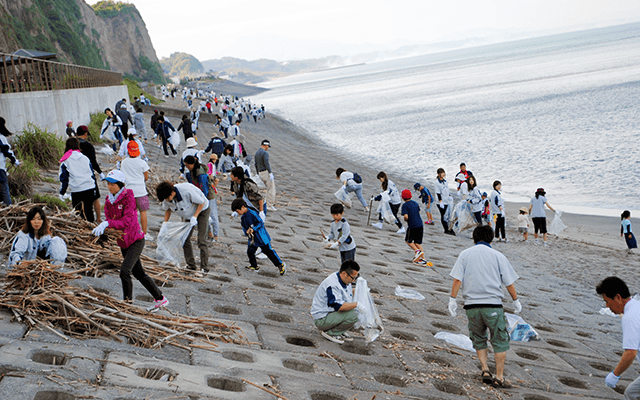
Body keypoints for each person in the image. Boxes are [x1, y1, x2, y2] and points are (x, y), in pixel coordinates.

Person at [448, 225, 521, 388]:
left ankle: (485, 369)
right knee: (500, 340)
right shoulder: (498, 256)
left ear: (474, 238)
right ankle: (499, 377)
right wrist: (516, 300)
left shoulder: (464, 254)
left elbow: (457, 280)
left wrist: (452, 299)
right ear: (491, 238)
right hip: (493, 305)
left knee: (479, 338)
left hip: (472, 306)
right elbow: (509, 282)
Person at [92, 170, 168, 310]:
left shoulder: (129, 198)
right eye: (108, 184)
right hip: (123, 242)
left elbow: (126, 221)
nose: (109, 187)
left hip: (136, 240)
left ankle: (127, 305)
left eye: (113, 184)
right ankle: (160, 298)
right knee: (139, 273)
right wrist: (104, 230)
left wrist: (108, 224)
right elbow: (110, 219)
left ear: (120, 185)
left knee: (124, 272)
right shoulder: (109, 200)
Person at [595, 276, 640, 396]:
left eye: (607, 301)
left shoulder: (630, 317)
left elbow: (631, 352)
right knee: (631, 394)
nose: (607, 307)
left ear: (618, 297)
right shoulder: (637, 306)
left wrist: (615, 374)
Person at [156, 180, 210, 274]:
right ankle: (191, 266)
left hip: (202, 210)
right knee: (185, 239)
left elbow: (201, 203)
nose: (167, 200)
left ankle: (204, 268)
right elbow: (167, 210)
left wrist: (195, 216)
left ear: (172, 192)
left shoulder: (186, 190)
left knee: (201, 240)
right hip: (188, 214)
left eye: (167, 198)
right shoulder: (167, 197)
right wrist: (165, 224)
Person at [310, 259, 365, 344]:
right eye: (353, 278)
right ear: (344, 274)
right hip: (322, 319)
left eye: (355, 278)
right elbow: (338, 306)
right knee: (355, 314)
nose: (354, 281)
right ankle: (331, 332)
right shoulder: (332, 284)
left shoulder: (343, 279)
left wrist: (360, 290)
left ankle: (339, 331)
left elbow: (347, 292)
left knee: (356, 312)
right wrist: (356, 304)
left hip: (330, 314)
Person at [231, 198, 286, 275]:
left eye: (237, 211)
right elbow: (244, 226)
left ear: (243, 207)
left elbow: (260, 223)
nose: (238, 213)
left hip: (261, 237)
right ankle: (254, 265)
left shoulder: (252, 213)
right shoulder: (243, 217)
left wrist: (253, 229)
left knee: (269, 252)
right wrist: (247, 232)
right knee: (250, 252)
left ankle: (280, 264)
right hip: (253, 238)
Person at [59, 137, 99, 222]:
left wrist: (62, 192)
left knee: (77, 211)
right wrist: (94, 187)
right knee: (89, 210)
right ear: (78, 145)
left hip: (77, 189)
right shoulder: (85, 158)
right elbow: (92, 173)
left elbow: (64, 179)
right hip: (89, 187)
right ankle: (91, 227)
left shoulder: (66, 160)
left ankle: (82, 228)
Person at [120, 141, 151, 240]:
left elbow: (122, 176)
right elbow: (146, 177)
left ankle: (129, 232)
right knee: (143, 212)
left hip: (128, 191)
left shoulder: (124, 162)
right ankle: (144, 233)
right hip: (141, 191)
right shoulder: (142, 163)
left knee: (130, 213)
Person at [76, 125, 104, 223]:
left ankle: (82, 218)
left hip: (76, 175)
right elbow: (93, 161)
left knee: (80, 198)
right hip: (88, 175)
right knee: (95, 198)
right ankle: (98, 218)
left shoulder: (71, 144)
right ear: (85, 134)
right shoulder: (88, 145)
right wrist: (100, 172)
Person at [400, 189, 427, 265]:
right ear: (410, 196)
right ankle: (423, 259)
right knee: (417, 243)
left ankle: (417, 251)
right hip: (420, 225)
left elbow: (406, 216)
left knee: (408, 241)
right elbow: (419, 212)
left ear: (403, 197)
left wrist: (406, 219)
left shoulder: (405, 205)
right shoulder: (415, 203)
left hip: (412, 225)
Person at [0, 117, 20, 205]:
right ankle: (8, 206)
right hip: (0, 169)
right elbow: (6, 151)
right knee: (4, 190)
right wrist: (15, 161)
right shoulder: (1, 138)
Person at [255, 140, 277, 211]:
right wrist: (270, 172)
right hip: (265, 172)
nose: (267, 148)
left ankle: (266, 203)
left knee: (267, 188)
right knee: (271, 189)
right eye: (268, 146)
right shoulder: (265, 153)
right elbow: (267, 163)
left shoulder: (257, 152)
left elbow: (255, 164)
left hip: (260, 172)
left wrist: (257, 173)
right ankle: (269, 204)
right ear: (266, 145)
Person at [434, 168, 455, 235]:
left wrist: (449, 196)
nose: (443, 174)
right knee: (443, 215)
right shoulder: (437, 182)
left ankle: (449, 228)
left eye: (443, 172)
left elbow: (446, 190)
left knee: (448, 215)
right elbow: (438, 193)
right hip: (441, 201)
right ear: (438, 174)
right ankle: (446, 229)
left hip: (447, 200)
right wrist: (440, 201)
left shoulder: (445, 181)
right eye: (441, 173)